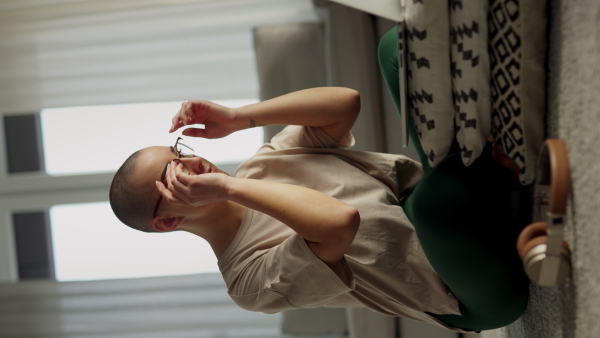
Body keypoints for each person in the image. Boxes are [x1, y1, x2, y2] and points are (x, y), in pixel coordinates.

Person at [109, 30, 529, 333]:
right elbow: (338, 222)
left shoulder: (259, 167)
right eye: (173, 176)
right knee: (442, 202)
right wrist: (227, 189)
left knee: (397, 49)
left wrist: (240, 118)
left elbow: (345, 104)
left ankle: (485, 174)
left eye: (180, 152)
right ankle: (490, 174)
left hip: (425, 196)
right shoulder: (247, 282)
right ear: (167, 221)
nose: (192, 164)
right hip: (461, 290)